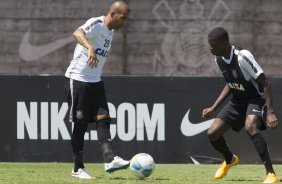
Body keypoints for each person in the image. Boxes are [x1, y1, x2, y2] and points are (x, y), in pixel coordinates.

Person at [202, 27, 280, 183]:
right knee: (212, 133)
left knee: (250, 126)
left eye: (213, 44)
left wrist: (270, 112)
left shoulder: (242, 57)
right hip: (238, 100)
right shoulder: (218, 60)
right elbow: (231, 83)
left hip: (255, 98)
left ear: (224, 43)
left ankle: (271, 174)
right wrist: (214, 108)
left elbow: (265, 82)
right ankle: (230, 159)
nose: (210, 48)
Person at [65, 1, 130, 179]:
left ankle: (109, 159)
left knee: (104, 118)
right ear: (113, 14)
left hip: (95, 81)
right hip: (78, 79)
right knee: (80, 125)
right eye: (123, 18)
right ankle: (78, 169)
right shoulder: (97, 24)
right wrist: (90, 47)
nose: (125, 22)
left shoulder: (111, 31)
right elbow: (77, 33)